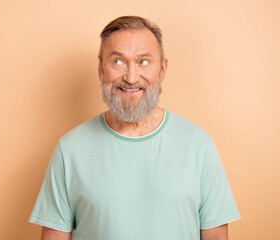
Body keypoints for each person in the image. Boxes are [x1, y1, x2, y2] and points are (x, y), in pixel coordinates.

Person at [29, 16, 240, 240]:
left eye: (143, 62)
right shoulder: (69, 150)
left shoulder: (199, 146)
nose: (131, 77)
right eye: (118, 62)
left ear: (162, 69)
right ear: (101, 69)